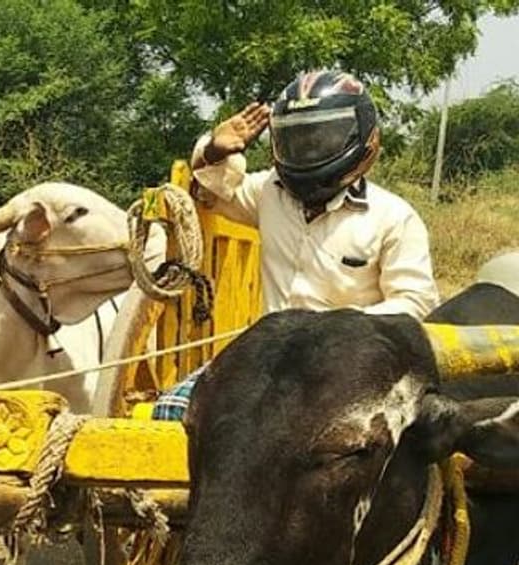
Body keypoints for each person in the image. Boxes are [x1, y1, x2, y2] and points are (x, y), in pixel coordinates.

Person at [152, 70, 441, 421]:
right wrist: (214, 148)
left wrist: (336, 328)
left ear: (363, 138)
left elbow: (416, 302)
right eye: (298, 139)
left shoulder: (394, 217)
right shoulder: (268, 192)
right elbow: (209, 194)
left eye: (321, 139)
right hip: (269, 358)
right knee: (170, 411)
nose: (309, 150)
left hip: (352, 364)